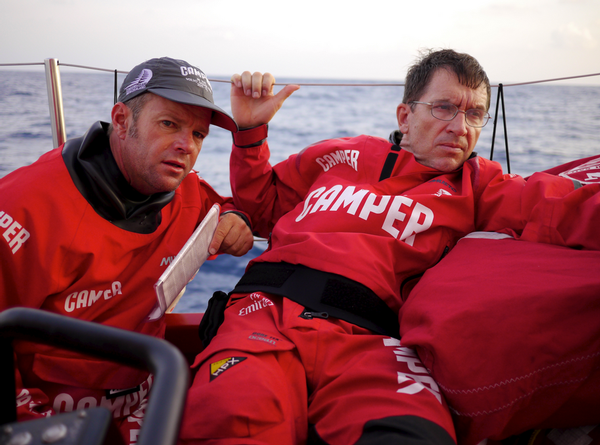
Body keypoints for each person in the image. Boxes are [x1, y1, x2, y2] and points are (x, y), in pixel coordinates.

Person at [178, 49, 600, 445]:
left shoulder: (478, 186)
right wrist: (250, 135)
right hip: (261, 315)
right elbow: (263, 205)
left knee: (414, 436)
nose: (460, 127)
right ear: (405, 115)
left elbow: (562, 205)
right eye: (444, 108)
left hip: (367, 341)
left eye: (475, 114)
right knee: (231, 423)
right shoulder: (340, 154)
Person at [0, 57, 254, 444]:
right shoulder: (23, 209)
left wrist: (237, 219)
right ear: (121, 120)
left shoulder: (187, 194)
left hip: (147, 406)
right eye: (168, 124)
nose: (186, 146)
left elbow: (223, 206)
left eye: (199, 134)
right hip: (48, 418)